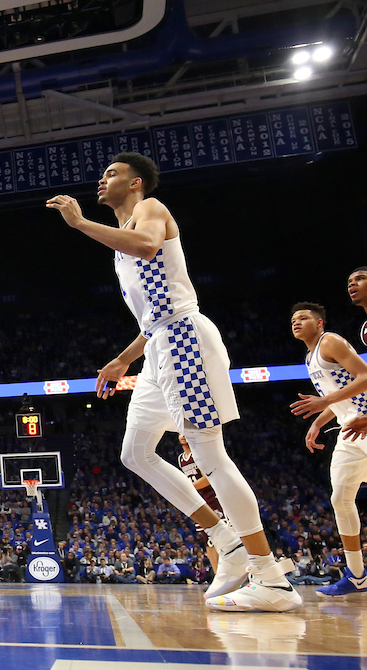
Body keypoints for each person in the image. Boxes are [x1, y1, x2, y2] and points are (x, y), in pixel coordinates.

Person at [47, 152, 300, 612]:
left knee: (210, 455)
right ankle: (228, 543)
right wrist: (122, 360)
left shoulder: (151, 210)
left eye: (111, 173)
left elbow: (145, 247)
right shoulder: (124, 244)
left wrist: (80, 224)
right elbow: (150, 320)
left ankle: (271, 578)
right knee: (135, 453)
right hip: (160, 348)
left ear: (136, 182)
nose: (101, 179)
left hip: (185, 340)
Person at [288, 302, 367, 597]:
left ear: (319, 324)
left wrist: (323, 404)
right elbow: (338, 398)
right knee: (341, 499)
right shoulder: (310, 357)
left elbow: (365, 376)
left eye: (304, 318)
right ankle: (357, 575)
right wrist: (319, 422)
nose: (296, 322)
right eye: (294, 319)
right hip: (349, 432)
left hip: (365, 422)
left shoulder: (329, 341)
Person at [177, 434, 224, 579]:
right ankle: (217, 577)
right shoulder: (180, 458)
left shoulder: (198, 453)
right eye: (180, 434)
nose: (183, 436)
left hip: (211, 499)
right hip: (197, 501)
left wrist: (188, 487)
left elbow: (207, 479)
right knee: (207, 541)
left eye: (185, 433)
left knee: (220, 538)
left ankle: (229, 574)